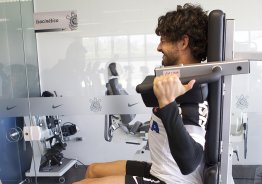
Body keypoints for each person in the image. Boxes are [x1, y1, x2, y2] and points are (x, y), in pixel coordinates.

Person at [74, 3, 209, 184]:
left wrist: (167, 103)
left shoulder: (194, 95)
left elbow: (189, 163)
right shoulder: (176, 81)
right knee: (93, 170)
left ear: (183, 43)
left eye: (164, 40)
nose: (158, 47)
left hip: (174, 180)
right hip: (159, 169)